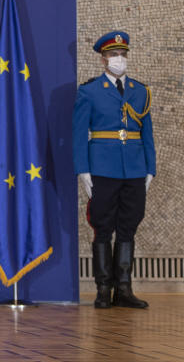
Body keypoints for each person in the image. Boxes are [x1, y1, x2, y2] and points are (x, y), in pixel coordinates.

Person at [73, 30, 154, 309]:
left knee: (128, 229)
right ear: (102, 60)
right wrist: (83, 170)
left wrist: (150, 169)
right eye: (112, 54)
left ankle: (124, 289)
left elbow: (147, 134)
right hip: (103, 168)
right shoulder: (89, 90)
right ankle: (103, 289)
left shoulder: (140, 91)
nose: (118, 59)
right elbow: (78, 132)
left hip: (134, 168)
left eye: (122, 54)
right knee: (103, 229)